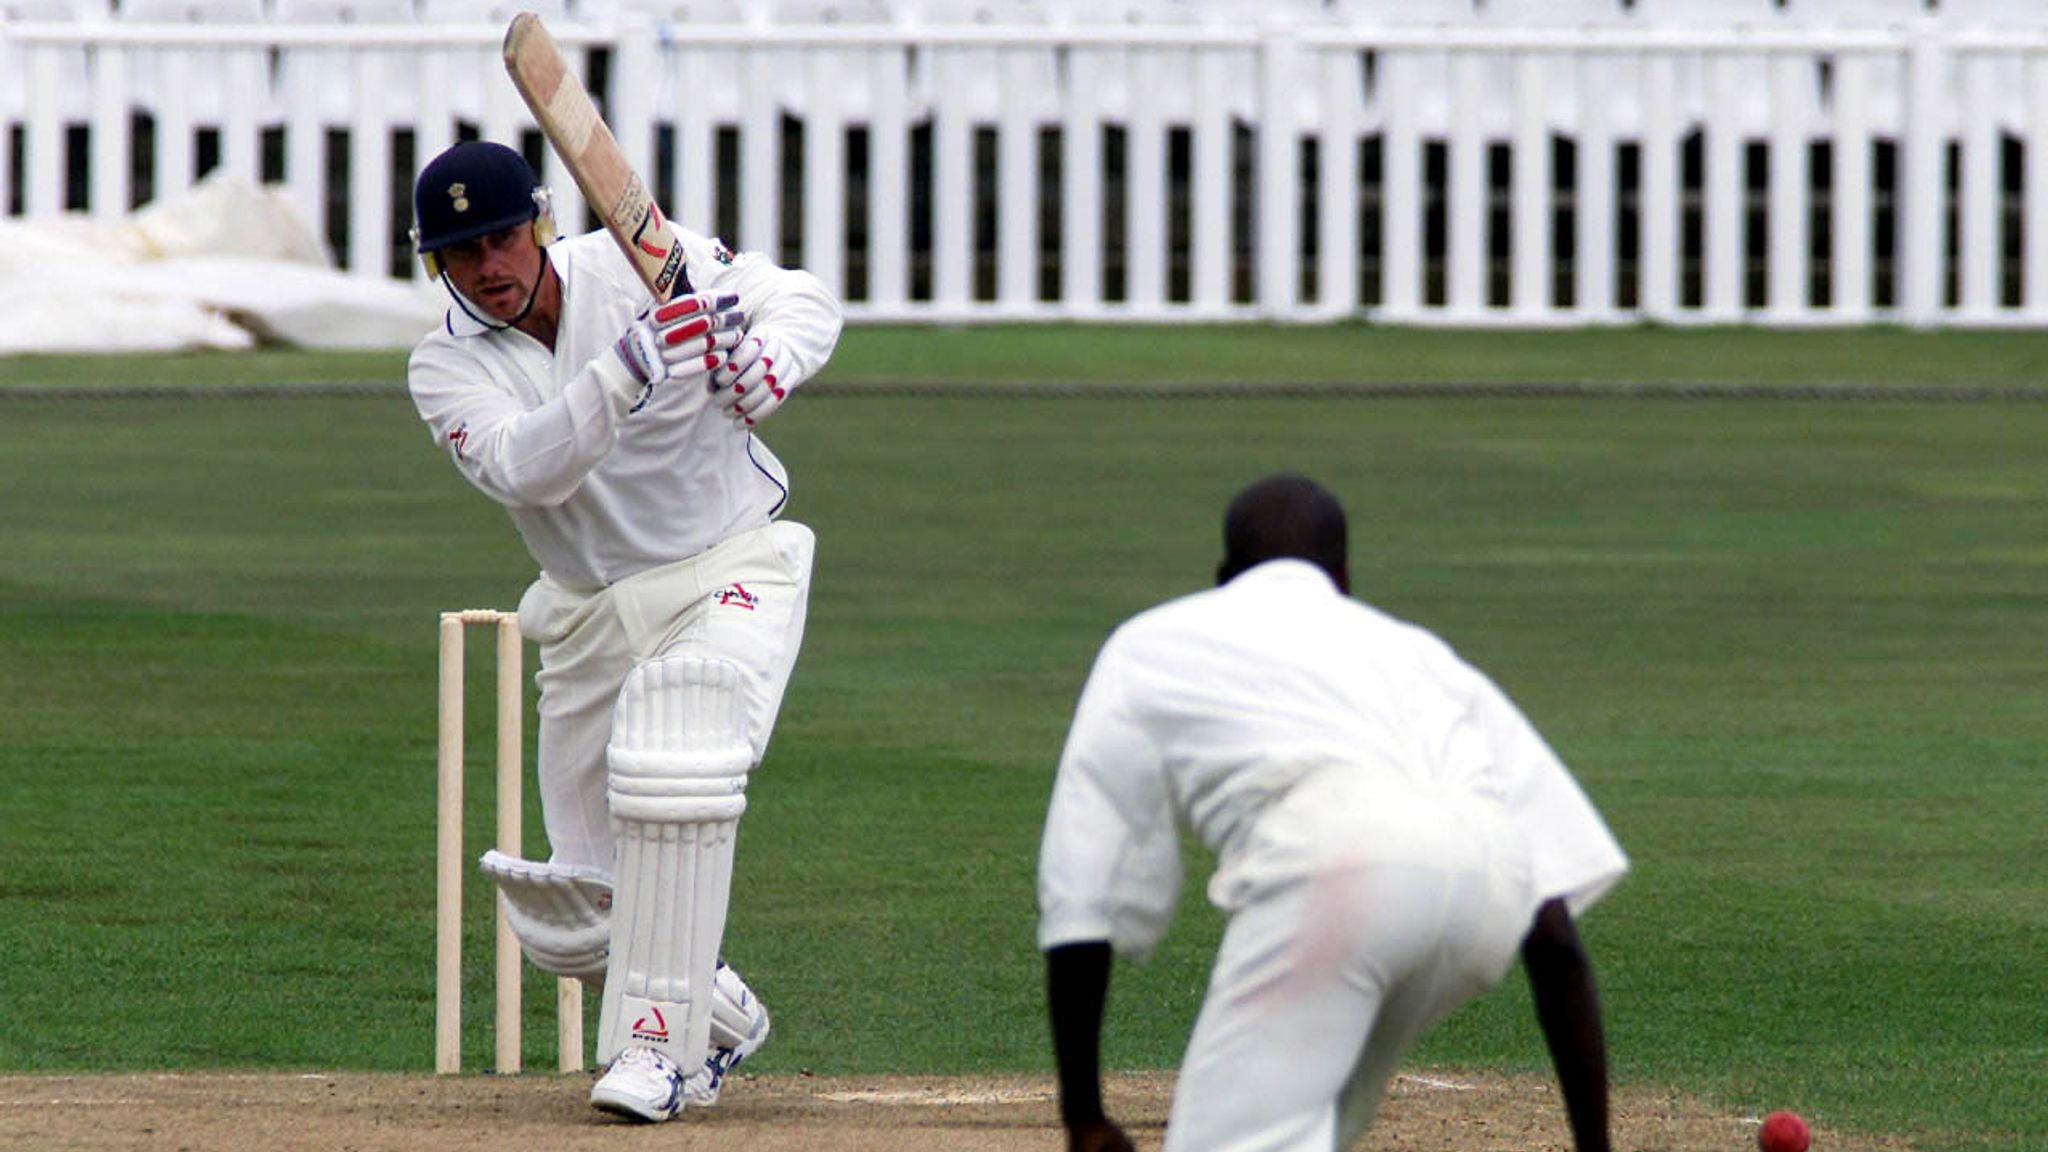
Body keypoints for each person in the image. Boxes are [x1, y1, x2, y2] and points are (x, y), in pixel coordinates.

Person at [406, 139, 842, 1123]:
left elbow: (801, 297)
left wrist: (768, 361)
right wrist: (625, 367)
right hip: (590, 612)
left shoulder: (638, 261)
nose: (491, 266)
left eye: (505, 237)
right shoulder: (443, 366)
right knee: (575, 920)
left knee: (676, 758)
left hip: (727, 566)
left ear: (542, 223)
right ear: (435, 262)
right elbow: (523, 468)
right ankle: (711, 1008)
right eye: (463, 252)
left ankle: (657, 1054)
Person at [1037, 473, 1629, 1152]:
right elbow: (1553, 931)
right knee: (1319, 1127)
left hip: (1338, 875)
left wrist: (1083, 1114)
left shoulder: (1148, 643)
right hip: (1489, 880)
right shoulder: (1424, 657)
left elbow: (1083, 881)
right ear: (1344, 578)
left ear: (1223, 576)